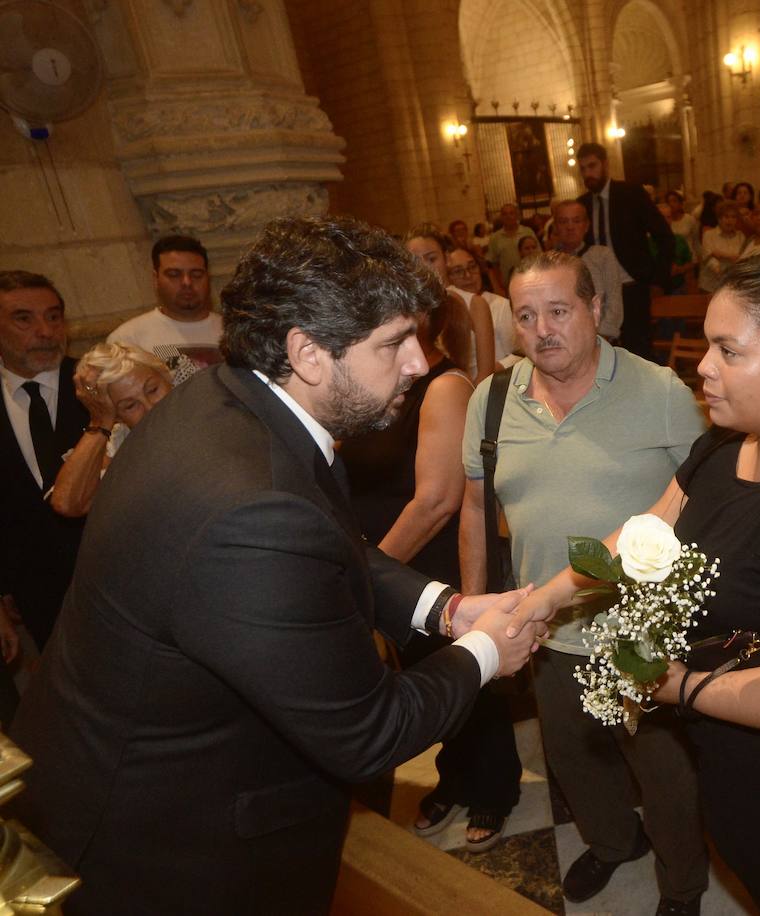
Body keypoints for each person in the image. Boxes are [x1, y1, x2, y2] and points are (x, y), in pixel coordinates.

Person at [7, 216, 540, 916]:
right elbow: (370, 733)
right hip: (166, 845)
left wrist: (444, 609)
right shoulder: (248, 509)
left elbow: (332, 542)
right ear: (309, 352)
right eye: (393, 343)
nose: (417, 362)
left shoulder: (229, 395)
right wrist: (484, 650)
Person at [510, 250, 760, 915]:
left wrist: (680, 686)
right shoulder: (731, 446)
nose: (702, 366)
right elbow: (648, 527)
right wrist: (544, 599)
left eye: (729, 351)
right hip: (730, 747)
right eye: (706, 346)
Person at [458, 251, 708, 915]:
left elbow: (708, 501)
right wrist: (479, 613)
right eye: (527, 315)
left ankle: (683, 888)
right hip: (548, 625)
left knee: (664, 772)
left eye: (559, 311)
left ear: (597, 310)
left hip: (643, 628)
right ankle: (612, 841)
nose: (543, 329)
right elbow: (475, 510)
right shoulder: (490, 402)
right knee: (573, 757)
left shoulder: (660, 393)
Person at [337, 283, 520, 850]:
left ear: (425, 326)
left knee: (467, 677)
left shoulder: (443, 387)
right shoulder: (387, 387)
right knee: (425, 682)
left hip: (426, 559)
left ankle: (493, 788)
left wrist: (370, 573)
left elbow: (436, 500)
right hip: (389, 560)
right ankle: (456, 777)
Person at [0, 271, 89, 651]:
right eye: (24, 318)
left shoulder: (96, 384)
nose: (45, 330)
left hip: (123, 580)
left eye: (53, 316)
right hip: (40, 601)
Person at [49, 342, 172, 518]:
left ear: (167, 378)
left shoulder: (205, 412)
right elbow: (67, 503)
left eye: (152, 389)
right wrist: (100, 422)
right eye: (130, 406)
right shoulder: (120, 441)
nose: (150, 407)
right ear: (118, 418)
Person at [577, 142, 675, 360]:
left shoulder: (631, 194)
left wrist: (658, 279)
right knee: (600, 356)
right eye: (583, 169)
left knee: (638, 352)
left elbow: (665, 237)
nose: (588, 174)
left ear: (605, 164)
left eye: (592, 166)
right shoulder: (581, 205)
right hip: (597, 293)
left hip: (632, 287)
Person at [108, 235, 223, 383]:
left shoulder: (233, 330)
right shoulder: (127, 340)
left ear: (208, 277)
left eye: (196, 275)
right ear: (156, 279)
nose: (187, 282)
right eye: (174, 275)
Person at [404, 224, 494, 383]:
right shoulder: (405, 309)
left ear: (447, 258)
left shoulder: (474, 303)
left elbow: (486, 373)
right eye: (414, 261)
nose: (424, 267)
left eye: (432, 259)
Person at [549, 198, 633, 340]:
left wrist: (600, 337)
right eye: (563, 222)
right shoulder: (547, 262)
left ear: (586, 225)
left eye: (576, 221)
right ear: (556, 227)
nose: (570, 227)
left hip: (600, 337)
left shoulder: (602, 256)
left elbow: (614, 300)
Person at [445, 243, 518, 372]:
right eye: (458, 271)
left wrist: (491, 369)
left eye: (472, 267)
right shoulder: (444, 314)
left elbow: (520, 354)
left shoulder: (500, 305)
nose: (468, 275)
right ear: (446, 278)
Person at [485, 204, 539, 295]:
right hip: (508, 286)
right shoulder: (495, 238)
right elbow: (493, 264)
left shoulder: (528, 232)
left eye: (511, 213)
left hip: (531, 282)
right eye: (505, 214)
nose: (508, 216)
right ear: (501, 217)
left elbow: (539, 254)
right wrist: (498, 286)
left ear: (517, 215)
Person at [698, 200, 747, 293]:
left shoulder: (741, 236)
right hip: (710, 286)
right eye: (726, 216)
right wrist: (730, 260)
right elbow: (709, 260)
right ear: (719, 218)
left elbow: (742, 260)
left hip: (733, 287)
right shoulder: (709, 235)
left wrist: (722, 255)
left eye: (733, 217)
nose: (730, 220)